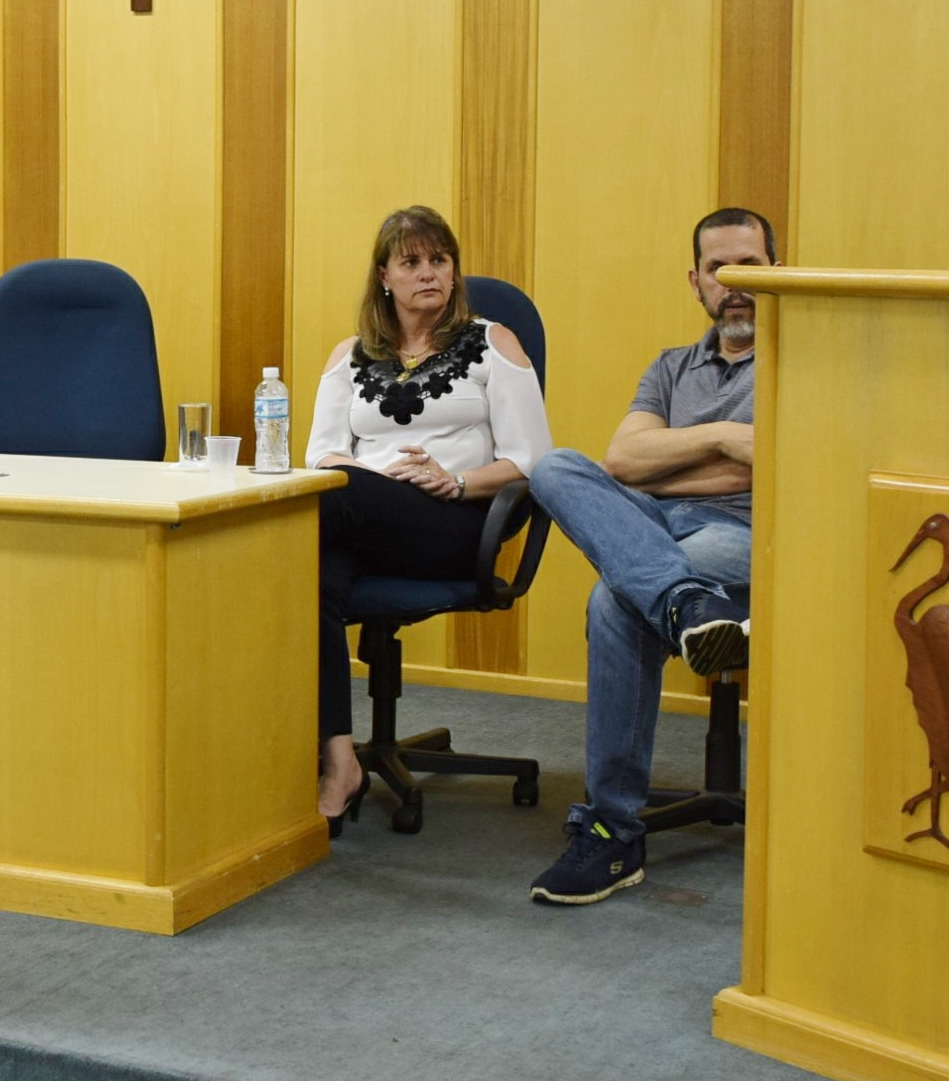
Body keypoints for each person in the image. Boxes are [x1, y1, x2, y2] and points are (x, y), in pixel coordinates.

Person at [520, 208, 771, 906]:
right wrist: (725, 438)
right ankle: (688, 602)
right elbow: (623, 462)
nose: (735, 283)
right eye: (719, 269)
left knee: (615, 600)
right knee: (556, 468)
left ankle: (611, 831)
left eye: (750, 266)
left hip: (746, 532)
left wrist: (676, 464)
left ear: (777, 271)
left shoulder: (804, 359)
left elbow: (785, 463)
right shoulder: (671, 367)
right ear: (696, 282)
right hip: (656, 525)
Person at [307, 207, 551, 834]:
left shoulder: (494, 343)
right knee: (311, 580)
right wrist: (374, 480)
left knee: (310, 516)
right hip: (362, 514)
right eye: (411, 262)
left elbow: (532, 461)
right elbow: (321, 455)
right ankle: (341, 760)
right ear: (383, 277)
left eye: (440, 260)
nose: (429, 273)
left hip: (451, 521)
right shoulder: (350, 355)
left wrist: (457, 480)